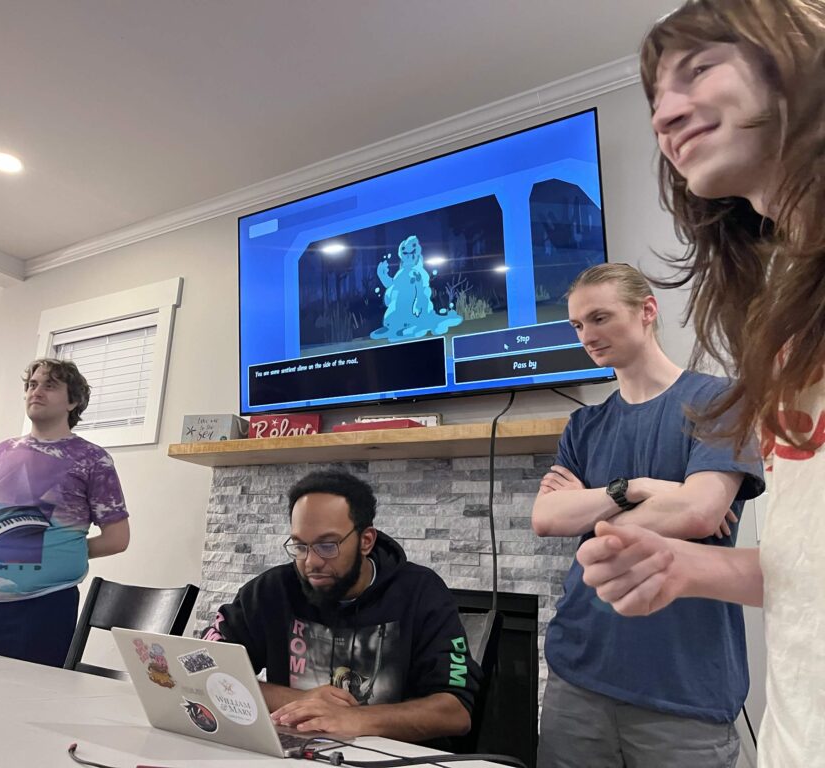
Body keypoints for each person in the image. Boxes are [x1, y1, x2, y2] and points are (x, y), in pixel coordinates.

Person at [575, 2, 825, 766]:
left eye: (699, 69)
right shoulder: (783, 321)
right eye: (654, 98)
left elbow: (693, 503)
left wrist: (608, 498)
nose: (664, 114)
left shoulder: (707, 396)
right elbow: (806, 563)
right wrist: (688, 564)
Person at [531, 263, 764, 768]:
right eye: (577, 326)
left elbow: (701, 512)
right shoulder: (584, 423)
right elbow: (546, 517)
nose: (588, 336)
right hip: (579, 675)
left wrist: (589, 511)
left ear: (647, 311)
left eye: (599, 318)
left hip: (683, 688)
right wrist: (636, 489)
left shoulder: (719, 400)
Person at [200, 469, 481, 744]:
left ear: (366, 540)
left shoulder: (421, 592)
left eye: (327, 546)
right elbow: (203, 669)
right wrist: (299, 701)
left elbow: (455, 712)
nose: (311, 562)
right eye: (300, 546)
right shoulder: (272, 591)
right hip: (294, 755)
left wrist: (358, 719)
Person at [0, 358, 130, 667]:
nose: (37, 391)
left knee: (18, 707)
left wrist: (62, 549)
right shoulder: (3, 451)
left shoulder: (92, 460)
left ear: (73, 401)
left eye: (50, 386)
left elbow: (117, 539)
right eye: (32, 385)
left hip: (42, 609)